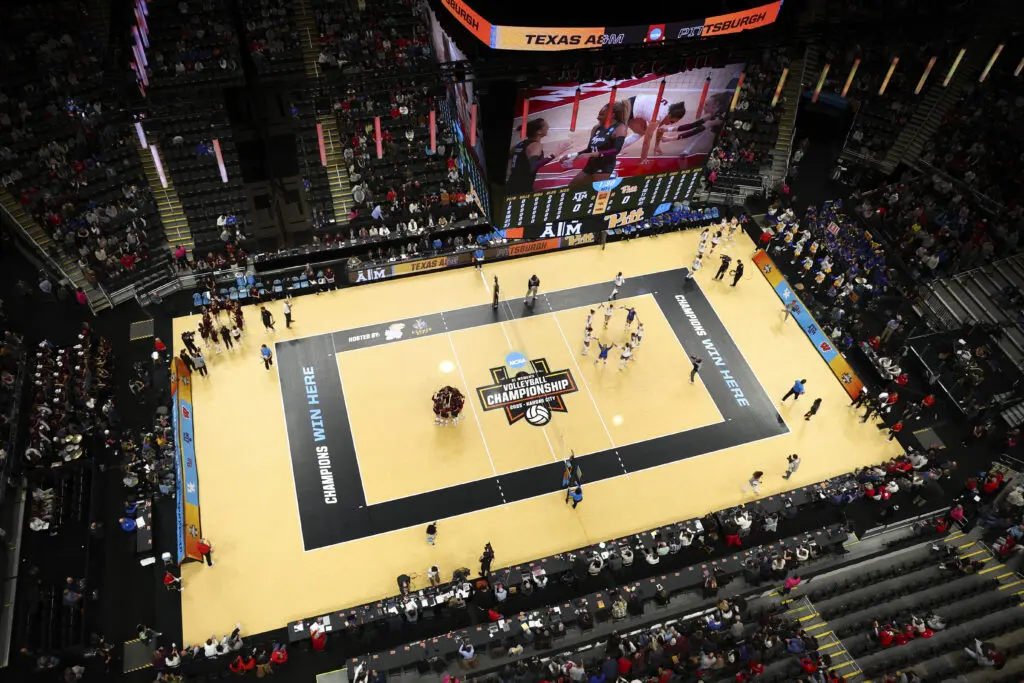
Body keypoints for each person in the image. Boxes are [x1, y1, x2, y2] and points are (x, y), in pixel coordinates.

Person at [569, 101, 628, 189]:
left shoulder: (620, 128)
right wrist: (571, 155)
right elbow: (589, 149)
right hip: (591, 165)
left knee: (600, 194)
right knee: (572, 187)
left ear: (612, 115)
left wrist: (592, 154)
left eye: (601, 115)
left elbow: (616, 150)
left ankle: (611, 179)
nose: (598, 117)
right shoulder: (596, 128)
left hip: (604, 166)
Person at [507, 118, 563, 195]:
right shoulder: (536, 145)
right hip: (522, 188)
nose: (548, 127)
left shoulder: (519, 145)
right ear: (539, 132)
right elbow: (534, 166)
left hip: (511, 183)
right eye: (545, 125)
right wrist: (555, 154)